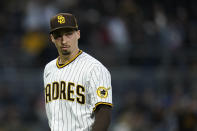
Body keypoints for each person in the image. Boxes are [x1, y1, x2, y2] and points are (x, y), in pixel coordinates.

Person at [43, 13, 113, 131]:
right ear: (52, 38)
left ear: (78, 34)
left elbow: (104, 114)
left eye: (69, 34)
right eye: (58, 36)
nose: (64, 40)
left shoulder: (94, 68)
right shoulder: (48, 69)